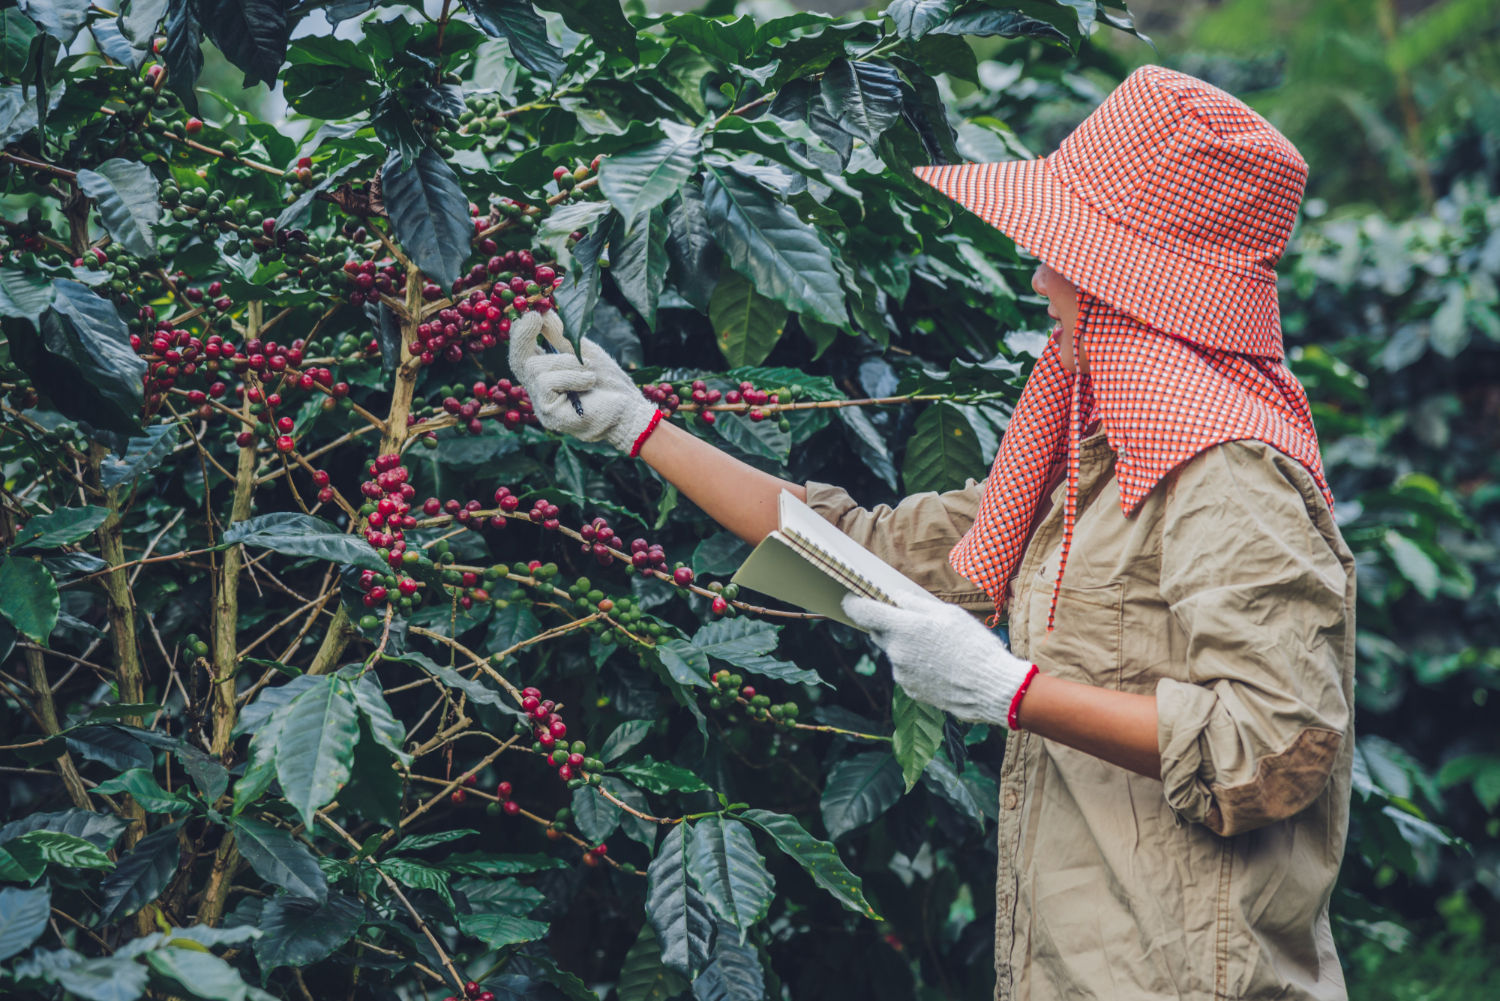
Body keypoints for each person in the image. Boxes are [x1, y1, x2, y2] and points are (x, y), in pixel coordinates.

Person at [508, 66, 1355, 1001]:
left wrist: (1011, 690)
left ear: (1127, 286)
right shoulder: (1091, 451)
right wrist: (638, 428)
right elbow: (858, 552)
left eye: (1062, 256)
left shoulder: (1225, 472)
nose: (1040, 279)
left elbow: (1276, 748)